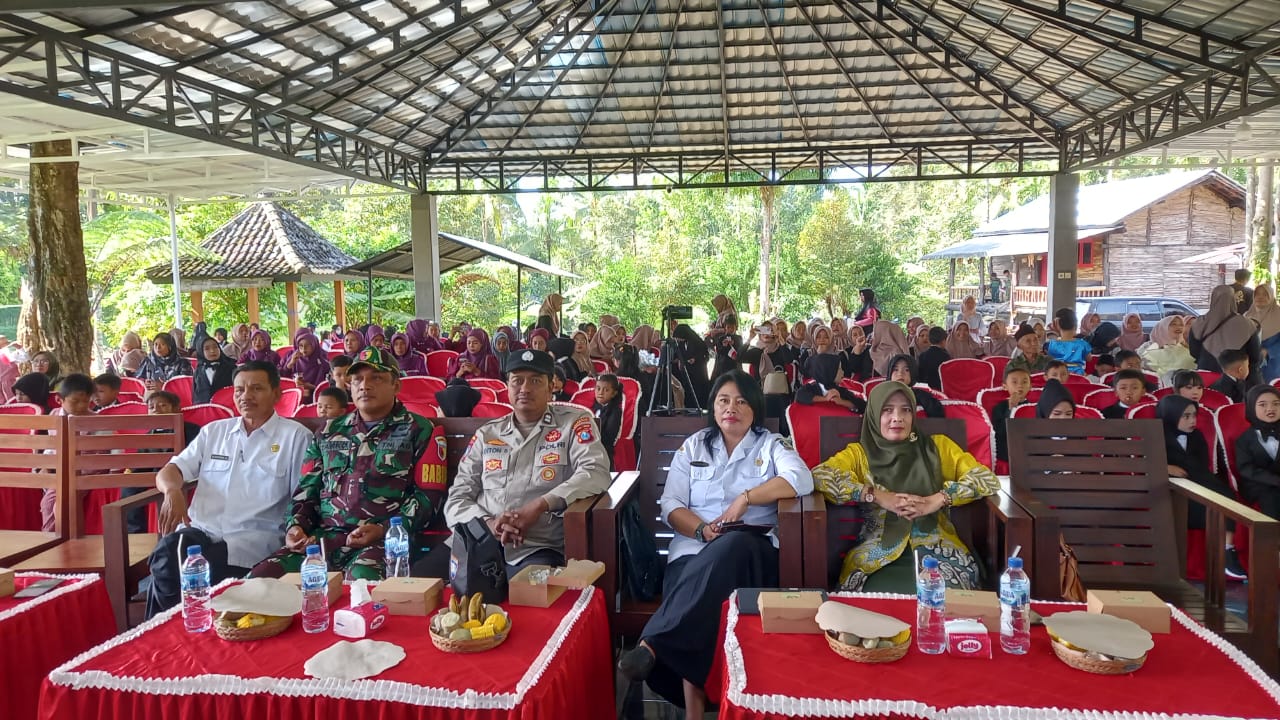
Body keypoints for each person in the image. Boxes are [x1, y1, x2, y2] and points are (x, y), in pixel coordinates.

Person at [616, 371, 813, 717]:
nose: (731, 408)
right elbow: (671, 504)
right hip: (694, 548)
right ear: (713, 406)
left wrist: (746, 498)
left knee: (729, 549)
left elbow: (801, 478)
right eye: (723, 400)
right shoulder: (695, 445)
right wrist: (702, 531)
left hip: (750, 552)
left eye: (741, 401)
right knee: (695, 589)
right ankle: (691, 707)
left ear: (754, 408)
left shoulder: (770, 444)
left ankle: (652, 644)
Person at [251, 347, 447, 581]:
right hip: (324, 539)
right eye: (357, 380)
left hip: (385, 541)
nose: (364, 386)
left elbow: (428, 498)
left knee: (362, 580)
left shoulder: (419, 430)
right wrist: (296, 526)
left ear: (396, 386)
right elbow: (306, 490)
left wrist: (385, 529)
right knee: (262, 577)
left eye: (376, 378)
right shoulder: (328, 431)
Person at [145, 361, 313, 617]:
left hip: (252, 539)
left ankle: (186, 623)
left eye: (256, 388)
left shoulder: (295, 437)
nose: (246, 396)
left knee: (204, 570)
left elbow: (302, 497)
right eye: (239, 390)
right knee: (165, 556)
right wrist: (172, 491)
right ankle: (166, 627)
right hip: (200, 531)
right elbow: (170, 471)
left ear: (276, 394)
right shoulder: (214, 432)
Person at [812, 381, 998, 594]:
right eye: (887, 410)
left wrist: (938, 499)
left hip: (941, 552)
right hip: (877, 557)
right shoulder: (859, 454)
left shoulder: (938, 448)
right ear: (873, 414)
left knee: (947, 599)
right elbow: (820, 476)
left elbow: (986, 478)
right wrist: (876, 495)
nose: (897, 418)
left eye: (906, 410)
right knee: (877, 602)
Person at [441, 349, 611, 575]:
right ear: (507, 387)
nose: (525, 388)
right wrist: (488, 524)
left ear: (551, 387)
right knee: (417, 581)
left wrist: (540, 505)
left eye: (536, 381)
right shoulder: (487, 434)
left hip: (536, 546)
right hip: (476, 542)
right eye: (517, 381)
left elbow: (596, 471)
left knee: (526, 591)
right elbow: (458, 496)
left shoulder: (574, 424)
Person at [1157, 394, 1247, 579]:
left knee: (1227, 496)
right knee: (1201, 503)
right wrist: (1165, 468)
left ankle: (1228, 550)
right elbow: (1146, 462)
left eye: (1194, 415)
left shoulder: (1196, 435)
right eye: (1186, 416)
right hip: (1170, 485)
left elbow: (1202, 463)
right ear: (1171, 415)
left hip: (1197, 478)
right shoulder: (1157, 436)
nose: (1192, 421)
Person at [40, 374, 94, 532]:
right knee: (48, 503)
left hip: (87, 473)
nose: (81, 406)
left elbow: (114, 448)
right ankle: (51, 538)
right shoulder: (54, 416)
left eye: (86, 401)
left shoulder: (95, 420)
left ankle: (56, 537)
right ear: (59, 399)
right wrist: (45, 466)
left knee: (62, 501)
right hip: (62, 472)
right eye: (75, 401)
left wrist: (113, 472)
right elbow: (51, 446)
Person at [1189, 285, 1261, 382]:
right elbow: (1255, 355)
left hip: (1206, 371)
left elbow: (1194, 351)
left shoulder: (1199, 323)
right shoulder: (1247, 324)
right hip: (1237, 373)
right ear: (1233, 299)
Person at [1234, 385, 1280, 520]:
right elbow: (1246, 468)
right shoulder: (1244, 440)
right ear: (1251, 408)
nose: (1270, 408)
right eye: (1262, 405)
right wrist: (1275, 480)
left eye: (1276, 404)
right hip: (1259, 484)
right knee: (1272, 499)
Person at [796, 325, 866, 413]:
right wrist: (825, 398)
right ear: (829, 371)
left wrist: (842, 402)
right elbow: (800, 395)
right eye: (839, 369)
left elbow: (863, 405)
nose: (842, 372)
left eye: (826, 337)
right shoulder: (812, 388)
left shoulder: (840, 391)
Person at [991, 365, 1031, 466]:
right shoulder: (1000, 407)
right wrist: (1011, 408)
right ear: (1005, 386)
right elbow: (1000, 432)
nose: (1020, 386)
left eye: (1024, 382)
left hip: (1028, 447)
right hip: (1008, 448)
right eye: (1014, 382)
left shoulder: (1033, 407)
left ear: (1030, 386)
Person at [885, 354, 945, 418]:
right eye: (895, 369)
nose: (900, 373)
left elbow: (937, 415)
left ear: (913, 373)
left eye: (907, 370)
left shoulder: (921, 395)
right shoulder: (881, 393)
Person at [1138, 315, 1195, 381]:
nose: (1179, 327)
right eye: (1173, 324)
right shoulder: (1147, 348)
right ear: (1163, 327)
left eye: (1181, 325)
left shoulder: (1185, 348)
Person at [280, 332, 330, 397]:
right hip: (295, 395)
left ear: (313, 346)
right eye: (301, 346)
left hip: (317, 396)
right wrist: (290, 364)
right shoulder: (295, 359)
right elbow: (282, 378)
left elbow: (326, 387)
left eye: (307, 345)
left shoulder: (322, 363)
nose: (304, 349)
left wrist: (310, 387)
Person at [1247, 283, 1280, 382]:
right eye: (1257, 294)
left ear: (1271, 296)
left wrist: (1269, 351)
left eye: (1265, 294)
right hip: (1250, 365)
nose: (1260, 297)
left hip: (1273, 364)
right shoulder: (1247, 316)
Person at [192, 335, 237, 405]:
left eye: (215, 347)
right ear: (201, 351)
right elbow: (196, 393)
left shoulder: (231, 368)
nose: (212, 351)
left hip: (225, 406)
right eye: (207, 349)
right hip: (204, 407)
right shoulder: (198, 370)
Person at [592, 373, 624, 468]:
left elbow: (609, 437)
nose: (600, 392)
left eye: (606, 390)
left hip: (604, 452)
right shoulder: (594, 407)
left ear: (614, 393)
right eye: (598, 388)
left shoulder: (615, 411)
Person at [1046, 309, 1092, 374]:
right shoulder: (1082, 344)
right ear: (1075, 325)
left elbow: (1049, 359)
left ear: (1058, 325)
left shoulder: (1053, 344)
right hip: (1077, 374)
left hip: (1058, 374)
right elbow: (1089, 359)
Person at [709, 314, 744, 379]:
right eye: (728, 327)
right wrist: (724, 346)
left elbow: (741, 351)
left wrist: (734, 344)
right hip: (723, 367)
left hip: (735, 366)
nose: (730, 329)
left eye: (732, 327)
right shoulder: (721, 338)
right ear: (725, 327)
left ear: (735, 328)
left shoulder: (739, 338)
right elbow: (719, 352)